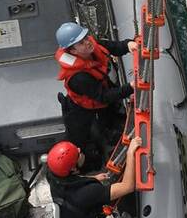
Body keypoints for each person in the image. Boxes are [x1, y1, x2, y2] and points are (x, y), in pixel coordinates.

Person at [54, 20, 135, 166]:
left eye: (85, 38)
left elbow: (113, 47)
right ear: (72, 51)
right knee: (81, 141)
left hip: (100, 95)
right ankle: (91, 164)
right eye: (81, 42)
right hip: (82, 109)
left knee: (113, 120)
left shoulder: (92, 45)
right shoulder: (79, 78)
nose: (87, 42)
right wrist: (129, 88)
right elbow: (103, 97)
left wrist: (128, 45)